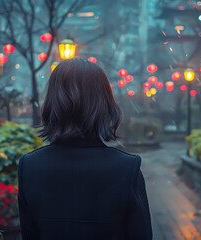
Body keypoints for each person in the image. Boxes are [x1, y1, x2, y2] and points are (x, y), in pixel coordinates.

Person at [17, 58, 152, 240]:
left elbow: (29, 234)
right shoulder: (127, 168)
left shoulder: (29, 167)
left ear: (53, 102)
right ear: (104, 103)